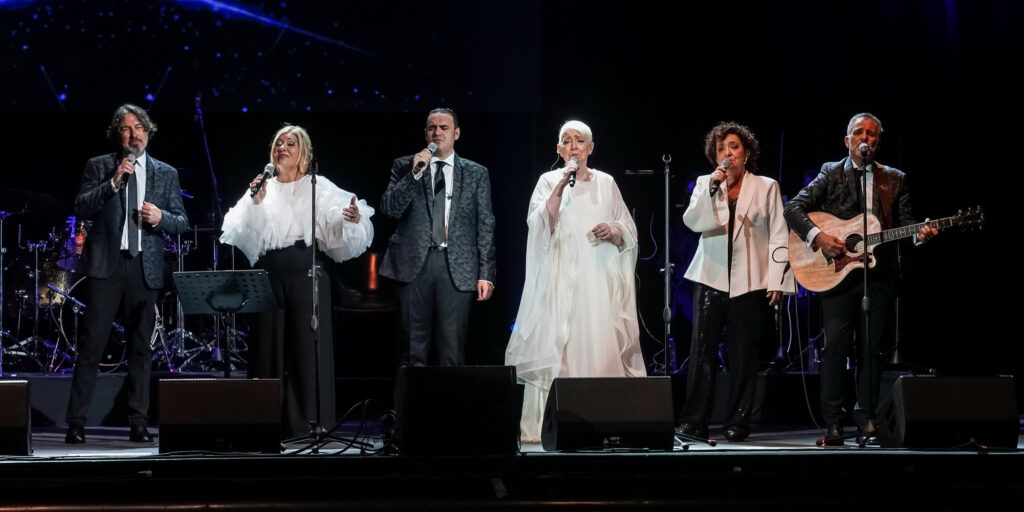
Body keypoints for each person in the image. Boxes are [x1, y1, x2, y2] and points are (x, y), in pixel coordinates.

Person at [783, 113, 937, 445]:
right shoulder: (831, 172)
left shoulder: (894, 179)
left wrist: (919, 235)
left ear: (878, 143)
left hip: (879, 276)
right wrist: (819, 237)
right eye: (858, 132)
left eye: (871, 134)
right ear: (847, 140)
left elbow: (906, 224)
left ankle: (867, 417)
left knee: (872, 350)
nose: (864, 138)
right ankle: (833, 423)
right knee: (836, 348)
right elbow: (793, 208)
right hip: (837, 273)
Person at [220, 125, 374, 438]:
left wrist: (352, 218)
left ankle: (311, 421)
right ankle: (265, 421)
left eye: (290, 143)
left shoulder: (317, 185)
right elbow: (239, 229)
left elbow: (337, 220)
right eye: (278, 143)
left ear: (303, 152)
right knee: (267, 345)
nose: (283, 148)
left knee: (307, 346)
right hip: (269, 272)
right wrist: (255, 202)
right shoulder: (263, 186)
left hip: (307, 269)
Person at [505, 120, 647, 443]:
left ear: (590, 148)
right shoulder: (548, 181)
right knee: (559, 346)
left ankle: (602, 420)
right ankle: (547, 425)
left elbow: (629, 229)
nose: (573, 146)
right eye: (566, 141)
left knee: (597, 341)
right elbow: (538, 224)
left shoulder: (607, 183)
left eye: (579, 140)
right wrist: (560, 184)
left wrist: (614, 231)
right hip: (559, 280)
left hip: (595, 279)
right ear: (559, 149)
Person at [65, 104, 189, 443]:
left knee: (140, 348)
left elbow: (182, 221)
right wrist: (113, 181)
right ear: (117, 134)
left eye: (138, 127)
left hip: (144, 267)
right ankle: (76, 422)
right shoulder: (100, 166)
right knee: (92, 345)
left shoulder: (166, 173)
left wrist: (161, 218)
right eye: (125, 128)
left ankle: (138, 422)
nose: (133, 134)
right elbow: (81, 206)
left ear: (148, 131)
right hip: (106, 264)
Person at [678, 122, 794, 442]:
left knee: (743, 354)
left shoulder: (766, 186)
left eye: (733, 146)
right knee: (702, 353)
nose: (727, 153)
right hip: (711, 276)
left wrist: (778, 279)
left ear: (746, 152)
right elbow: (693, 222)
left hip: (750, 279)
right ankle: (693, 421)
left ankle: (738, 422)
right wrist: (712, 187)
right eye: (721, 149)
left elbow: (779, 234)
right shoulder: (707, 183)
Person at [379, 108, 496, 366]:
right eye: (432, 128)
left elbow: (485, 223)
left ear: (457, 133)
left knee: (451, 352)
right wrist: (414, 174)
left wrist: (486, 273)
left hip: (456, 266)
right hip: (413, 265)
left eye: (444, 128)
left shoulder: (476, 173)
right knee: (411, 352)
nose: (437, 132)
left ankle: (450, 396)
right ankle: (410, 395)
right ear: (425, 133)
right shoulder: (405, 165)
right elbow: (390, 209)